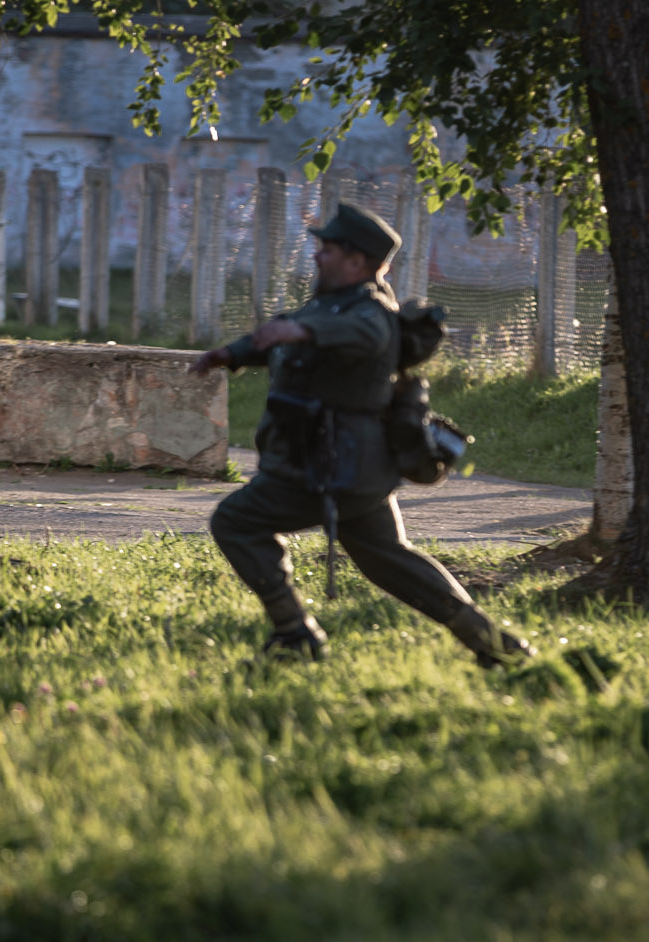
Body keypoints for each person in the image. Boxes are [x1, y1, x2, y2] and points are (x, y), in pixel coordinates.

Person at [190, 203, 534, 666]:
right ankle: (496, 646)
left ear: (357, 262)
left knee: (235, 521)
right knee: (391, 563)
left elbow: (355, 335)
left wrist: (300, 329)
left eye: (328, 250)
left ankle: (295, 634)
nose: (317, 257)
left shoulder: (369, 311)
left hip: (331, 468)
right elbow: (281, 337)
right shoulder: (328, 303)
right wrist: (228, 354)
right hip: (350, 469)